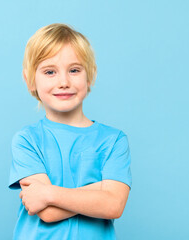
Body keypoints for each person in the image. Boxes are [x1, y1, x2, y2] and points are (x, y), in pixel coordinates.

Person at [8, 23, 132, 240]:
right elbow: (47, 212)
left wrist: (48, 193)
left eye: (74, 70)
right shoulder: (27, 140)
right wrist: (102, 190)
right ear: (30, 81)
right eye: (50, 72)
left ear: (90, 76)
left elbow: (114, 206)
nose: (63, 82)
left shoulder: (114, 140)